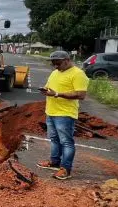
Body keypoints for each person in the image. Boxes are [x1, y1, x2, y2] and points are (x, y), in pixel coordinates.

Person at [36, 50, 89, 180]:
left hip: (65, 114)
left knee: (66, 142)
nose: (56, 66)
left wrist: (57, 94)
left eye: (58, 63)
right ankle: (55, 162)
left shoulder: (78, 74)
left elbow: (81, 95)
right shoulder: (55, 73)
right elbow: (50, 88)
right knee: (54, 139)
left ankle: (66, 169)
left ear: (67, 60)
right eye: (53, 63)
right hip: (51, 111)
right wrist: (46, 91)